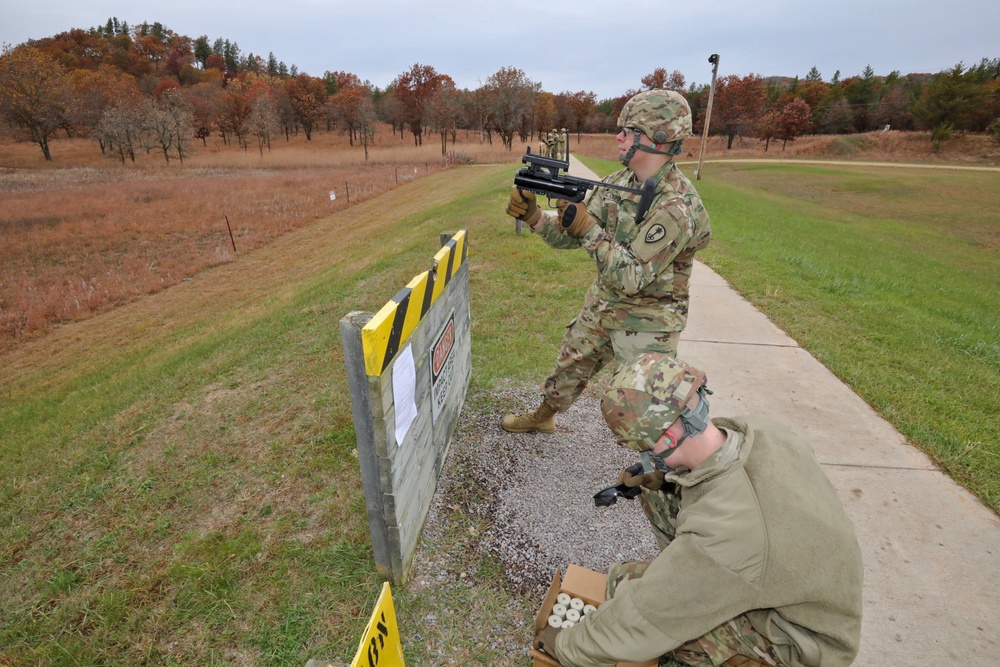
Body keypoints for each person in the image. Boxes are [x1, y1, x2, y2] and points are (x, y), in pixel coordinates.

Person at [534, 353, 864, 667]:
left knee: (658, 623)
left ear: (662, 439)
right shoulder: (760, 430)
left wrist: (565, 645)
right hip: (801, 594)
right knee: (627, 575)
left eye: (640, 444)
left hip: (802, 643)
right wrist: (662, 480)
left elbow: (646, 619)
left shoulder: (727, 534)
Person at [502, 90, 711, 433]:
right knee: (566, 371)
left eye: (628, 131)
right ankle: (544, 417)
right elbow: (572, 232)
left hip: (648, 321)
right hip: (604, 304)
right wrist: (535, 216)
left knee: (642, 411)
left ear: (656, 140)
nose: (618, 136)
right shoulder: (619, 184)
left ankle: (653, 473)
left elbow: (631, 276)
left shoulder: (677, 207)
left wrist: (588, 229)